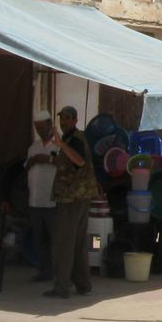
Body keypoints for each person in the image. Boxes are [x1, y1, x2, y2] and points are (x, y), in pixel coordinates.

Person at [44, 106, 99, 299]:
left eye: (67, 118)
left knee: (63, 242)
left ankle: (61, 286)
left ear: (75, 120)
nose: (64, 122)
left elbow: (80, 161)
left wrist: (61, 146)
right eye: (62, 118)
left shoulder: (74, 139)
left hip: (72, 198)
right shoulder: (69, 138)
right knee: (77, 243)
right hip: (77, 196)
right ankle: (83, 284)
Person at [24, 110, 59, 282]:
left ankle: (59, 272)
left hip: (52, 201)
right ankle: (44, 271)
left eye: (42, 127)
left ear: (50, 124)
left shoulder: (58, 145)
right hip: (35, 201)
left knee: (55, 238)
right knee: (39, 239)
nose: (40, 131)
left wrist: (48, 160)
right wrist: (33, 160)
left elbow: (67, 165)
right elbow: (26, 166)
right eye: (37, 128)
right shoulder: (34, 147)